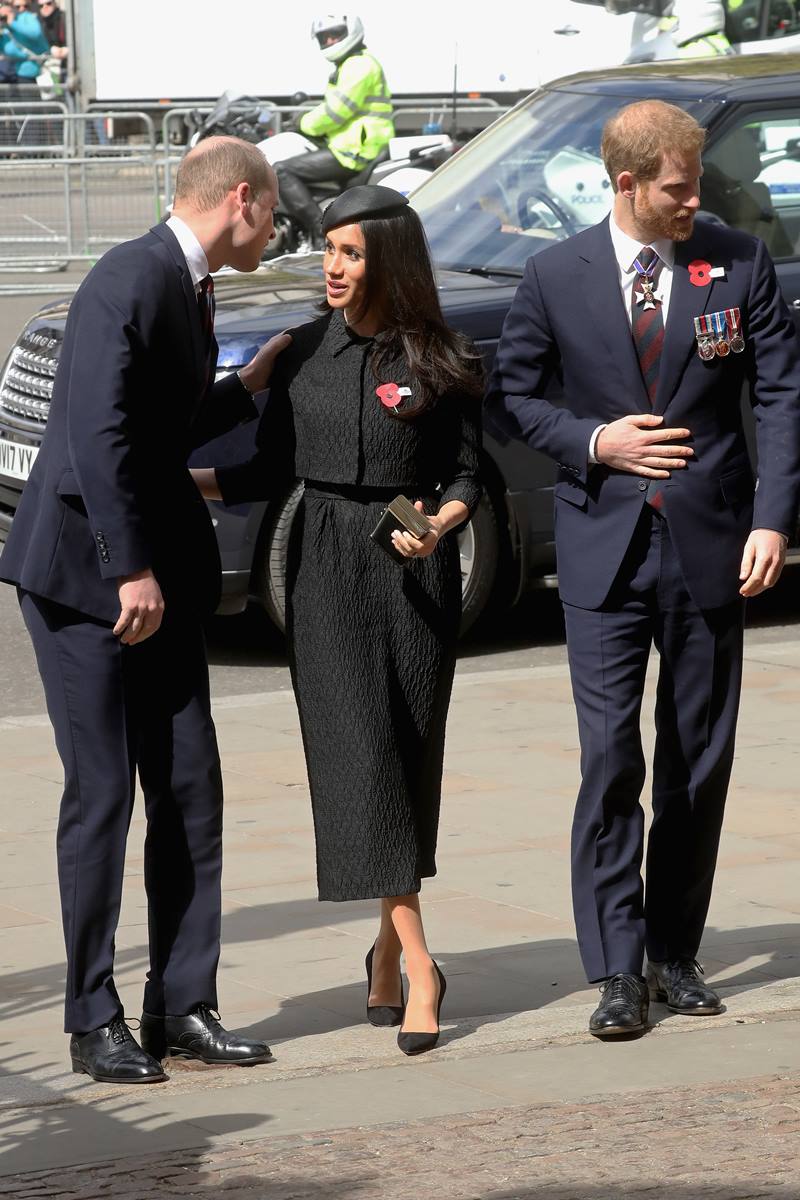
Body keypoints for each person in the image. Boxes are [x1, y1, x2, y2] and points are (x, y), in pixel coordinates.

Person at [486, 100, 800, 1039]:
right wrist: (596, 440)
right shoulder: (554, 275)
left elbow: (782, 395)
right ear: (625, 184)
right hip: (603, 551)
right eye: (676, 185)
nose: (693, 198)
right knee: (610, 759)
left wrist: (774, 521)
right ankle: (618, 968)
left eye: (696, 182)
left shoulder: (738, 262)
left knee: (697, 765)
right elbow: (515, 397)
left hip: (713, 545)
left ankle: (674, 950)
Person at [0, 136, 288, 1084]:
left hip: (149, 578)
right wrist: (131, 571)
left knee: (191, 787)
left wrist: (239, 391)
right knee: (102, 797)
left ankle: (181, 1004)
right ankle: (93, 1019)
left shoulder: (188, 281)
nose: (280, 229)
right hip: (90, 583)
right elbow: (97, 437)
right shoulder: (129, 277)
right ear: (238, 199)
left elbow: (157, 419)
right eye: (274, 211)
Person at [191, 185, 483, 1056]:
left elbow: (468, 477)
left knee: (408, 757)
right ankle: (426, 966)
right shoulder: (303, 350)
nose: (333, 267)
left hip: (410, 563)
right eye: (328, 250)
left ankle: (384, 954)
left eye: (351, 254)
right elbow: (264, 469)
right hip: (323, 569)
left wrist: (439, 528)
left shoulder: (442, 355)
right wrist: (176, 482)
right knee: (362, 761)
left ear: (387, 261)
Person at [275, 14, 394, 248]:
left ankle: (321, 232)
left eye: (335, 35)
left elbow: (335, 112)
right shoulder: (351, 63)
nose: (329, 41)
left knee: (281, 171)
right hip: (352, 144)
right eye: (323, 37)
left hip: (356, 150)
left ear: (351, 32)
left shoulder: (359, 65)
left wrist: (302, 123)